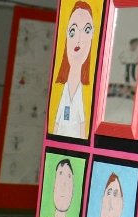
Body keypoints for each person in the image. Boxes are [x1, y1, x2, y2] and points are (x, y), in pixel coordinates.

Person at [52, 2, 94, 138]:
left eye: (86, 31)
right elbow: (55, 125)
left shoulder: (86, 92)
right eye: (72, 31)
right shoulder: (62, 89)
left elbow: (83, 126)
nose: (79, 39)